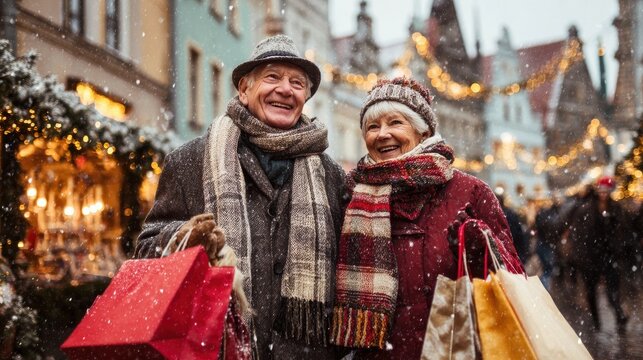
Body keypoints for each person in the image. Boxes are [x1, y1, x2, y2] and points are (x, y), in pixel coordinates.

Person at [135, 35, 347, 359]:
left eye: (297, 83)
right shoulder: (191, 161)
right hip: (217, 348)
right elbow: (147, 250)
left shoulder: (331, 177)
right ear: (244, 90)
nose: (285, 89)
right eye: (272, 77)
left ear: (306, 97)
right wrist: (185, 238)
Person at [330, 77, 523, 359]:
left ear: (423, 132)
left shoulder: (470, 192)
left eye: (395, 123)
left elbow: (513, 277)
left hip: (457, 350)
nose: (382, 134)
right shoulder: (351, 197)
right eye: (372, 126)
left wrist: (480, 251)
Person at [568, 176, 630, 332]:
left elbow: (622, 232)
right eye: (601, 190)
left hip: (610, 256)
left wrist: (620, 249)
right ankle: (596, 322)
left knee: (613, 291)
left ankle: (619, 315)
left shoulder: (616, 209)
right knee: (591, 292)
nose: (603, 193)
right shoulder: (586, 210)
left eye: (606, 191)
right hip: (590, 257)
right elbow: (579, 234)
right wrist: (580, 255)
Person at [495, 186, 530, 265]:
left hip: (505, 251)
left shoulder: (496, 214)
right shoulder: (509, 213)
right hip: (509, 250)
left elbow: (519, 234)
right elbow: (519, 234)